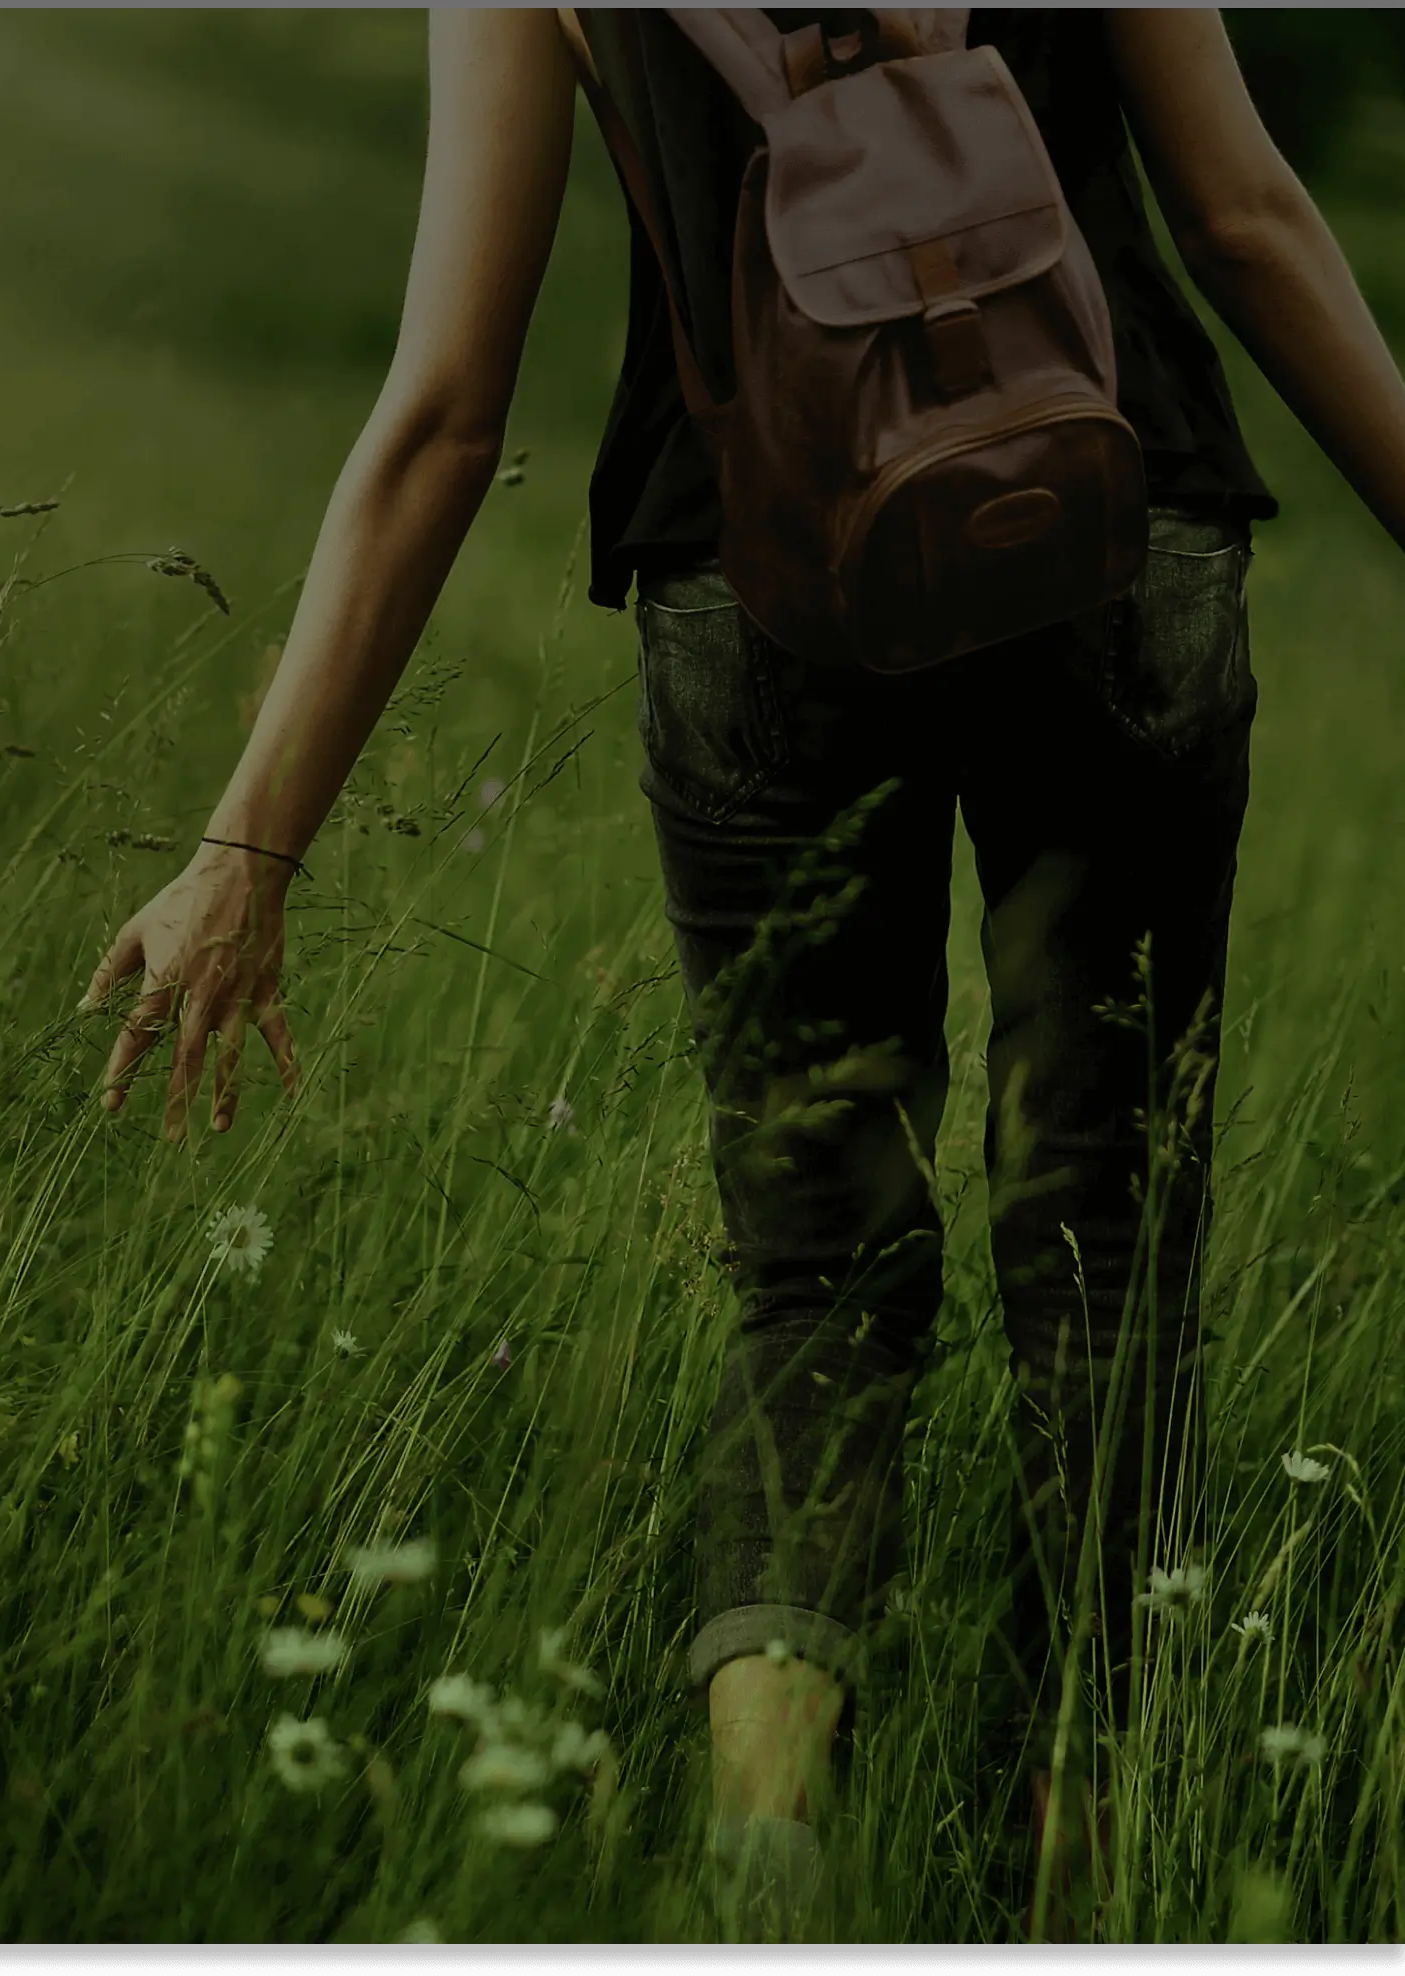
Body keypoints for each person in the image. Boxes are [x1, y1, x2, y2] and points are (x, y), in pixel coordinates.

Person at [78, 6, 1405, 1942]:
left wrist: (245, 849)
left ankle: (766, 1857)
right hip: (1111, 526)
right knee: (1111, 1244)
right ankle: (1090, 1847)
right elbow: (1251, 218)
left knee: (815, 1269)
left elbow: (449, 405)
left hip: (761, 570)